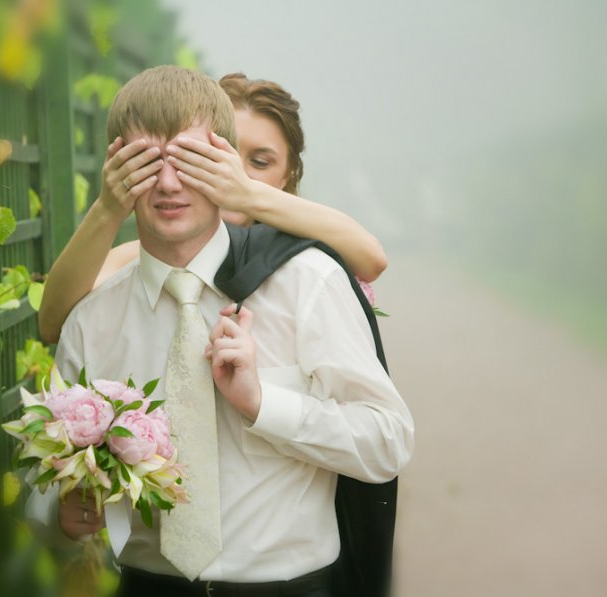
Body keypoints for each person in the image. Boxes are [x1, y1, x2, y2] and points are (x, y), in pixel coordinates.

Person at [35, 65, 413, 596]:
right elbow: (43, 490)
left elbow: (388, 443)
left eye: (190, 161)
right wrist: (58, 512)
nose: (168, 183)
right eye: (148, 163)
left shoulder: (309, 282)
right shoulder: (98, 311)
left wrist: (265, 404)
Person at [37, 73, 387, 345]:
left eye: (259, 162)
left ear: (288, 176)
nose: (231, 171)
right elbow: (53, 324)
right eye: (210, 156)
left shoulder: (302, 265)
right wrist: (108, 207)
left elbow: (371, 258)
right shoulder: (151, 255)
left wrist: (245, 192)